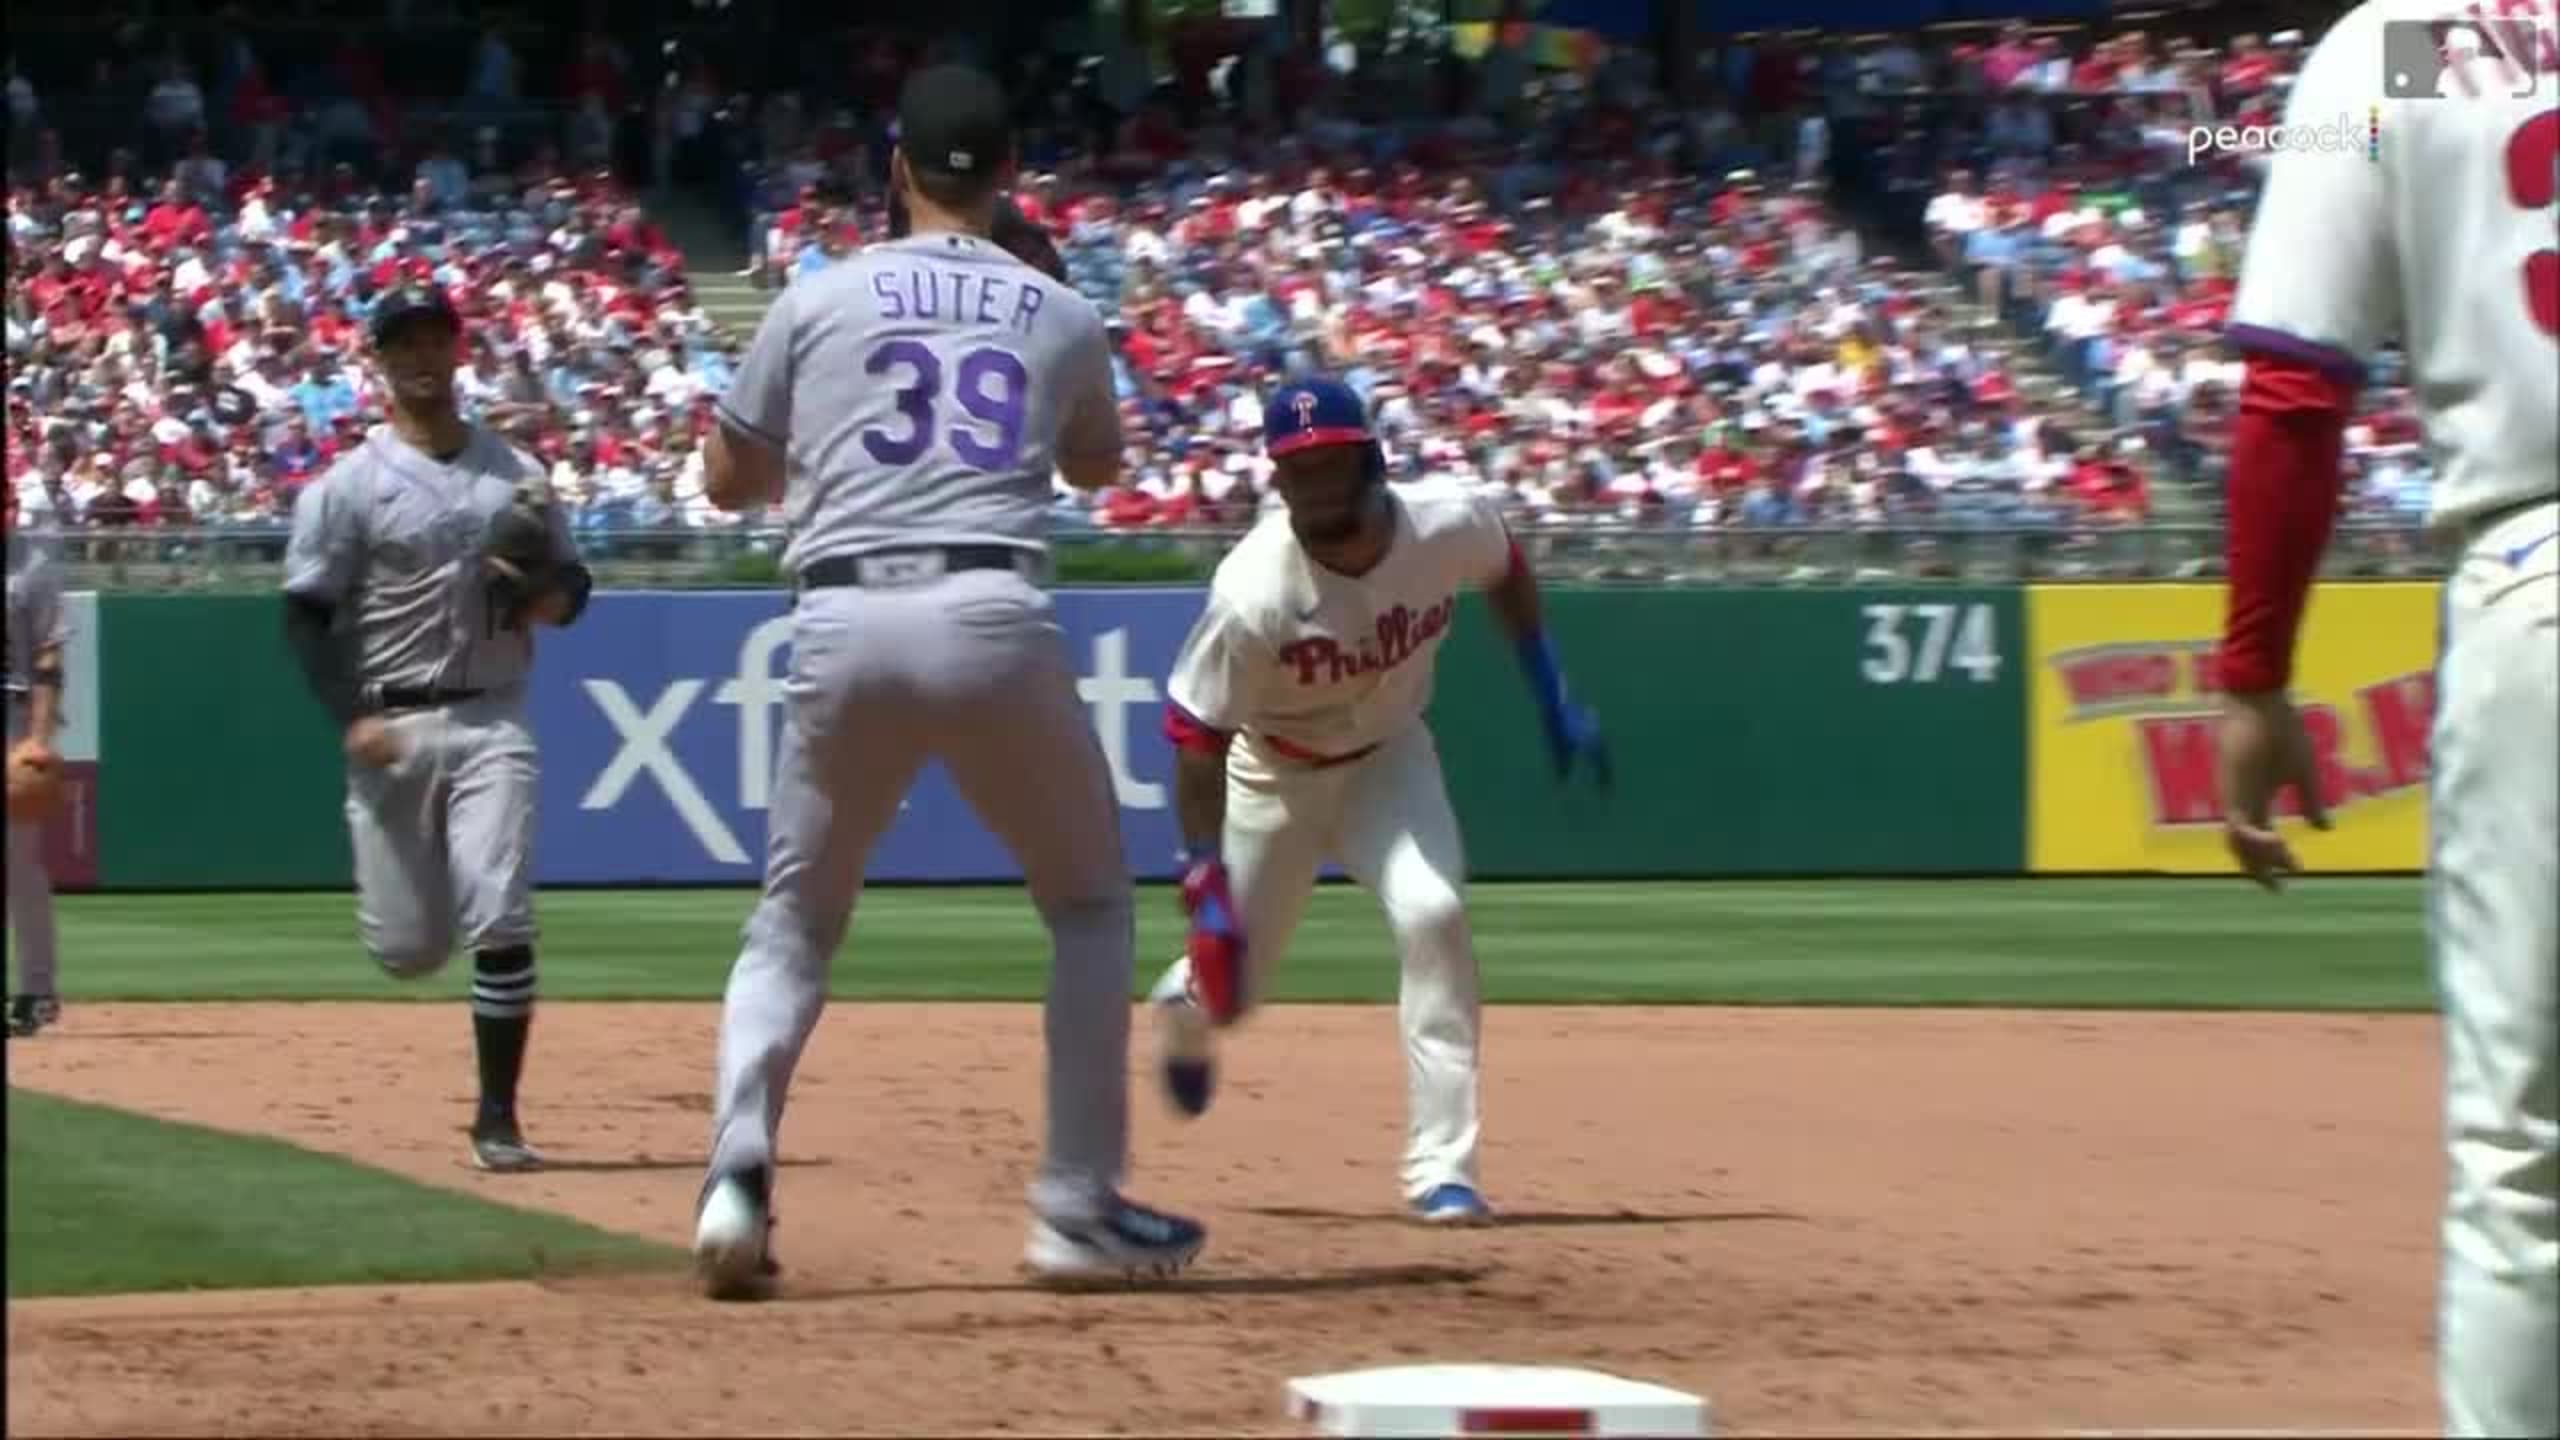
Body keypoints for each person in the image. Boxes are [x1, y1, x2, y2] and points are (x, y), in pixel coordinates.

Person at [688, 63, 1205, 1300]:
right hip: (988, 612)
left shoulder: (816, 297)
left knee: (795, 922)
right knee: (1086, 908)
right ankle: (1072, 1211)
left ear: (896, 170)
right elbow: (1093, 467)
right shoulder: (1057, 310)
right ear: (1011, 170)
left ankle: (733, 1176)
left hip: (841, 613)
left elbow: (723, 483)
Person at [2214, 6, 2556, 1436]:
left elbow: (2294, 389)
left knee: (2525, 1155)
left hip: (2540, 581)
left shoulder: (2400, 44)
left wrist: (2253, 675)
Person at [1146, 376, 1610, 1224]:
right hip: (1270, 777)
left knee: (1434, 913)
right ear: (1277, 482)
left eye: (1330, 463)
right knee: (1231, 991)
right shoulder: (1252, 591)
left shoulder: (1443, 521)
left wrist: (1551, 690)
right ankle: (1184, 1005)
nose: (1316, 484)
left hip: (1389, 760)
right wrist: (1204, 880)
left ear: (1370, 458)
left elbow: (1504, 567)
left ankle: (1444, 1171)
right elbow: (1195, 734)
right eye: (1298, 469)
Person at [280, 283, 594, 1173]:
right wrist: (350, 717)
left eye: (434, 339)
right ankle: (432, 928)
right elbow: (305, 615)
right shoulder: (349, 487)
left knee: (501, 911)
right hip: (394, 720)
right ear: (378, 362)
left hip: (493, 713)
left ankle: (498, 1119)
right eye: (402, 343)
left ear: (461, 350)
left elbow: (575, 588)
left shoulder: (518, 475)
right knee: (409, 950)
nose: (421, 357)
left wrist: (542, 597)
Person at [6, 483, 68, 1038]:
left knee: (19, 865)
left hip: (13, 718)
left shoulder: (31, 560)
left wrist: (40, 738)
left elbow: (49, 650)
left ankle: (38, 989)